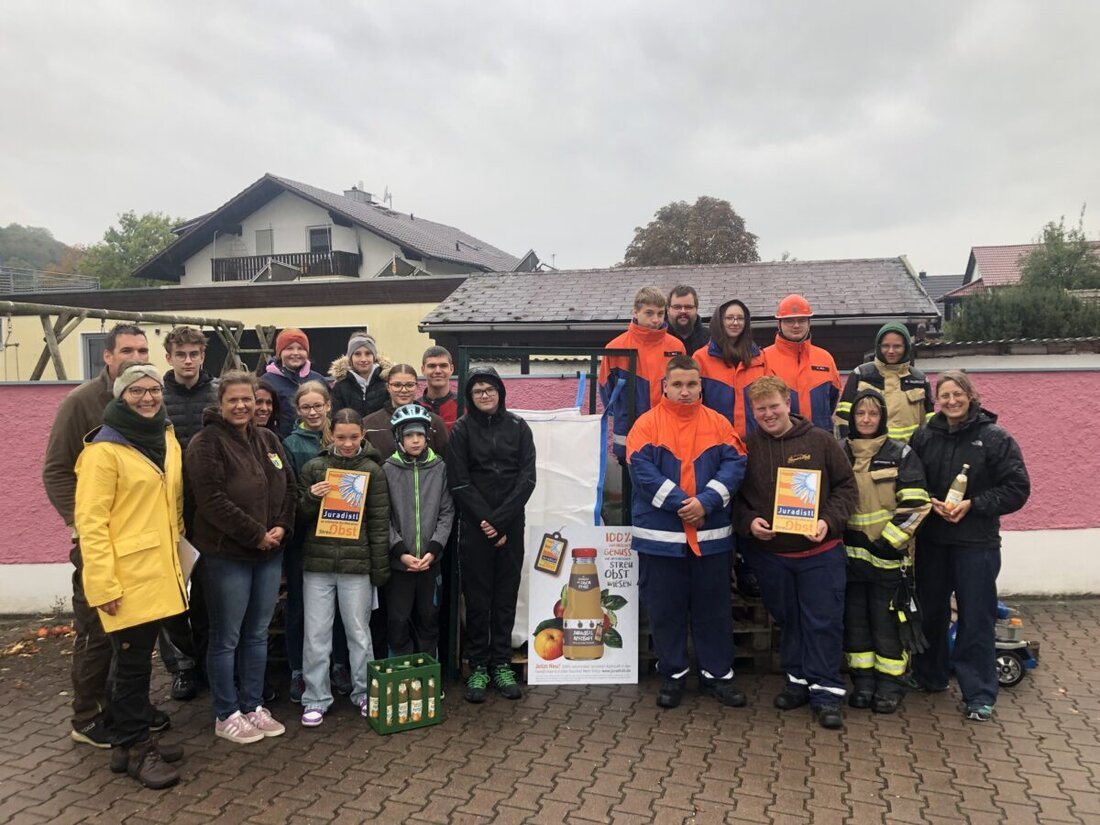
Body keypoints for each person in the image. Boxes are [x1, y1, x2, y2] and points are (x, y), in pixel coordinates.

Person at [42, 323, 170, 748]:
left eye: (142, 350)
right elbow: (57, 470)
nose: (136, 357)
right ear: (108, 356)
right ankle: (88, 715)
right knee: (97, 631)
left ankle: (125, 707)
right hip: (99, 543)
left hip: (142, 546)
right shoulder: (82, 403)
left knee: (134, 634)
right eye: (127, 350)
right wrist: (79, 525)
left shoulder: (154, 407)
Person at [74, 363, 188, 788]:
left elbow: (172, 505)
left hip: (161, 571)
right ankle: (139, 749)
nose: (147, 398)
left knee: (137, 661)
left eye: (153, 390)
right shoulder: (103, 451)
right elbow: (92, 525)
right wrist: (103, 585)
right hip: (126, 577)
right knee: (133, 665)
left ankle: (124, 745)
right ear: (120, 396)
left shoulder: (165, 437)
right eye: (137, 391)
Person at [732, 376, 858, 730]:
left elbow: (847, 487)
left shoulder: (820, 441)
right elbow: (737, 502)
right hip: (773, 557)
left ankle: (826, 692)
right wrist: (750, 522)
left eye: (774, 406)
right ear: (752, 412)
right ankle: (798, 681)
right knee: (790, 621)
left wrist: (828, 522)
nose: (769, 414)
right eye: (761, 409)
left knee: (823, 621)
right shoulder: (748, 447)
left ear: (788, 402)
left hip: (821, 551)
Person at [908, 370, 1030, 722]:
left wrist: (974, 504)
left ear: (971, 396)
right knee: (930, 612)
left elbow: (1017, 488)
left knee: (976, 617)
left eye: (957, 395)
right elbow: (911, 479)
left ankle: (978, 693)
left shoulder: (994, 438)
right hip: (933, 541)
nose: (951, 401)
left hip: (977, 544)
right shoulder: (923, 436)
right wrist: (926, 500)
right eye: (944, 396)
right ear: (936, 402)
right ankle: (929, 676)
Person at [626, 355, 747, 709]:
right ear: (664, 386)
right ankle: (673, 675)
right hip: (661, 542)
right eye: (677, 384)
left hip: (710, 540)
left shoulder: (720, 424)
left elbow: (735, 466)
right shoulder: (645, 426)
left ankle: (717, 676)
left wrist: (705, 503)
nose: (684, 391)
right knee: (665, 611)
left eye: (691, 384)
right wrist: (685, 504)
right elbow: (642, 473)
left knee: (714, 610)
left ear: (701, 386)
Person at [186, 371, 296, 744]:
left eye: (247, 399)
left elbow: (289, 488)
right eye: (233, 399)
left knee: (257, 634)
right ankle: (226, 712)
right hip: (227, 555)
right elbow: (212, 500)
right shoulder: (206, 443)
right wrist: (256, 535)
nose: (241, 405)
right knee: (227, 636)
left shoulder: (267, 439)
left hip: (268, 555)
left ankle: (252, 705)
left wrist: (281, 526)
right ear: (220, 403)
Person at [447, 366, 536, 703]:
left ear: (500, 392)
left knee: (505, 598)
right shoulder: (461, 430)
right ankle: (479, 666)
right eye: (478, 390)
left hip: (511, 526)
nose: (485, 395)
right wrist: (486, 521)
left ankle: (501, 663)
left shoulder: (519, 427)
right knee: (479, 599)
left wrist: (500, 521)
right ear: (469, 397)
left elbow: (527, 478)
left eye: (490, 389)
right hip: (474, 527)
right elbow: (459, 481)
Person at [296, 409, 390, 726]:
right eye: (341, 437)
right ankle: (315, 698)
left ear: (363, 433)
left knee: (359, 634)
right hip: (317, 565)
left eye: (353, 437)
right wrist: (311, 497)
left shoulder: (373, 471)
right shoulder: (314, 468)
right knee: (316, 635)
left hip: (357, 565)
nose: (347, 443)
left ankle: (365, 693)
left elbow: (379, 524)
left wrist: (378, 569)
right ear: (330, 435)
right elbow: (298, 517)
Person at [842, 388, 931, 714]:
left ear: (882, 418)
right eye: (860, 414)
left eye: (873, 414)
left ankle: (890, 686)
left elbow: (916, 505)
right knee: (856, 623)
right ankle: (862, 682)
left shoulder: (900, 454)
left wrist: (889, 541)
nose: (866, 419)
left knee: (886, 624)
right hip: (850, 557)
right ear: (852, 418)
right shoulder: (841, 452)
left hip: (889, 558)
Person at [159, 325, 218, 702]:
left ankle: (208, 662)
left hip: (208, 510)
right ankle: (181, 668)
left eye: (194, 354)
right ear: (169, 357)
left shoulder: (217, 395)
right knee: (171, 594)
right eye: (180, 354)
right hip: (166, 510)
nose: (188, 361)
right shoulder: (154, 396)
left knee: (208, 595)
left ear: (202, 356)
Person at [282, 381, 352, 701]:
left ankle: (339, 664)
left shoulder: (341, 439)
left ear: (328, 406)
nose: (313, 412)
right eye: (306, 407)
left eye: (318, 406)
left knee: (337, 607)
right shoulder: (291, 444)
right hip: (305, 538)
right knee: (300, 606)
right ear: (298, 410)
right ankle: (298, 669)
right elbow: (289, 493)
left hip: (338, 535)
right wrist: (309, 496)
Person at [383, 405, 455, 657]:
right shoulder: (387, 470)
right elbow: (383, 516)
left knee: (429, 617)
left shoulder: (440, 468)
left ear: (427, 437)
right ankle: (400, 677)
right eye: (408, 435)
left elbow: (447, 511)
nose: (415, 440)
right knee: (398, 620)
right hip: (399, 563)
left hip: (429, 561)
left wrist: (435, 548)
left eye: (420, 435)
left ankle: (427, 673)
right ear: (398, 438)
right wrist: (399, 551)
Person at [598, 286, 686, 461]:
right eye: (649, 313)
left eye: (660, 314)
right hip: (628, 432)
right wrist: (622, 413)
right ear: (635, 312)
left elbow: (685, 388)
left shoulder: (676, 347)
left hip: (670, 432)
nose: (656, 320)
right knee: (630, 484)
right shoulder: (615, 347)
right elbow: (606, 392)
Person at [835, 322, 933, 443]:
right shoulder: (861, 375)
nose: (891, 351)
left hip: (909, 454)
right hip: (867, 452)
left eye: (897, 346)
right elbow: (843, 419)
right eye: (885, 346)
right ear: (878, 346)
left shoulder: (919, 380)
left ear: (906, 347)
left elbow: (930, 424)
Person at [763, 294, 840, 432]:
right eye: (789, 321)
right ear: (778, 324)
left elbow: (832, 400)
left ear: (809, 323)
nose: (796, 325)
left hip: (820, 441)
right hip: (779, 442)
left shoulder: (825, 358)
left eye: (802, 320)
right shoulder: (763, 358)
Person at [694, 299, 768, 440]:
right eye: (729, 318)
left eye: (740, 318)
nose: (735, 323)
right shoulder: (701, 358)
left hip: (756, 441)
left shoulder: (760, 357)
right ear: (718, 321)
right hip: (715, 441)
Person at [363, 364, 449, 460]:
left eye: (409, 385)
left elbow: (446, 461)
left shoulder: (434, 422)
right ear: (388, 387)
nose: (404, 390)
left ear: (417, 386)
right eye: (397, 385)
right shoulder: (369, 423)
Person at [263, 328, 327, 438]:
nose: (295, 353)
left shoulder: (318, 379)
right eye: (289, 348)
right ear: (280, 353)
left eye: (300, 348)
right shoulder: (267, 381)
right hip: (282, 442)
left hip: (318, 441)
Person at [329, 331, 388, 419]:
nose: (363, 359)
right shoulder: (340, 387)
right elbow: (335, 418)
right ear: (350, 358)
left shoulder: (386, 383)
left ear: (374, 357)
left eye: (368, 353)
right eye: (357, 354)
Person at [419, 345, 458, 431]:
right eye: (432, 366)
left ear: (451, 369)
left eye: (443, 366)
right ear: (423, 370)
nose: (438, 371)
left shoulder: (464, 406)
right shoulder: (415, 407)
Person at [665, 285, 710, 356]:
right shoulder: (657, 339)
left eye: (688, 307)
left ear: (696, 309)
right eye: (677, 307)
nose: (683, 311)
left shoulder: (710, 340)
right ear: (668, 309)